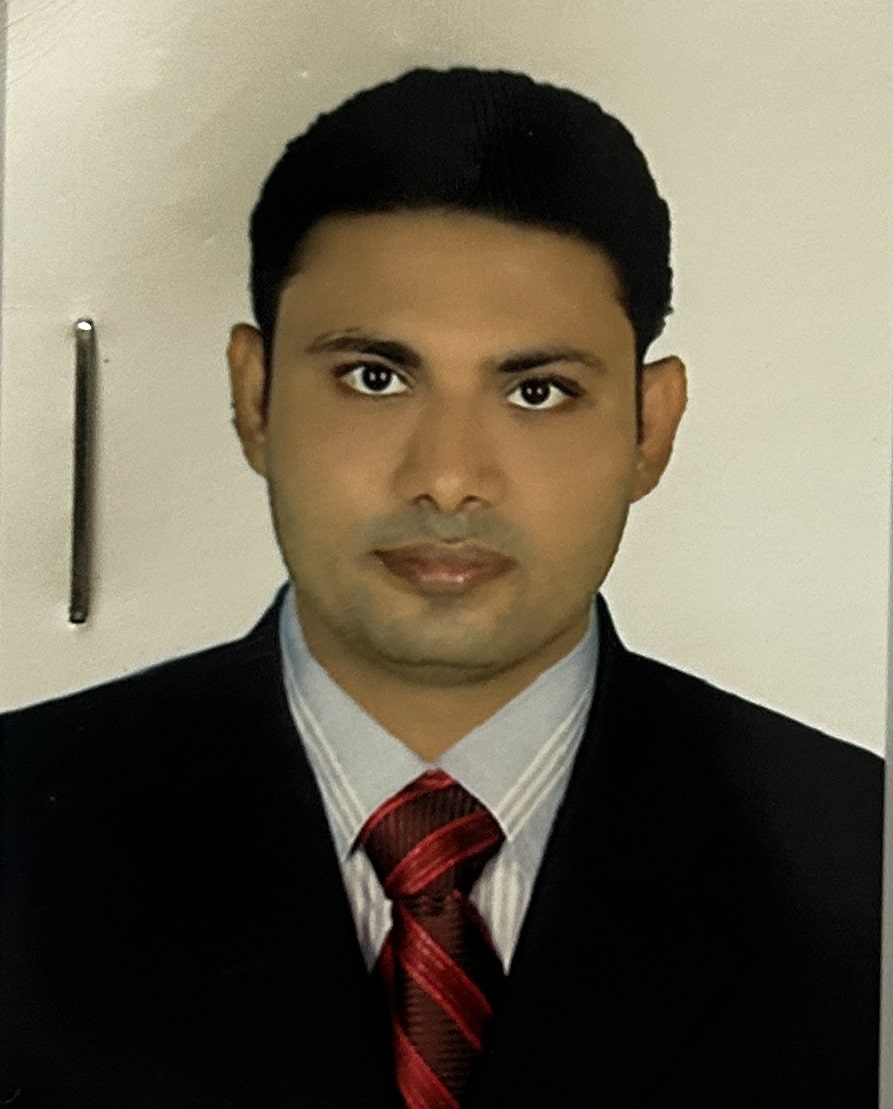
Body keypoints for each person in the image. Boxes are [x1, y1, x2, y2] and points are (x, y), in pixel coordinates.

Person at [0, 67, 882, 1109]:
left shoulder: (861, 858)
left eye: (536, 390)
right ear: (254, 395)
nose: (449, 476)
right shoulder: (22, 829)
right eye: (375, 377)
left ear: (650, 426)